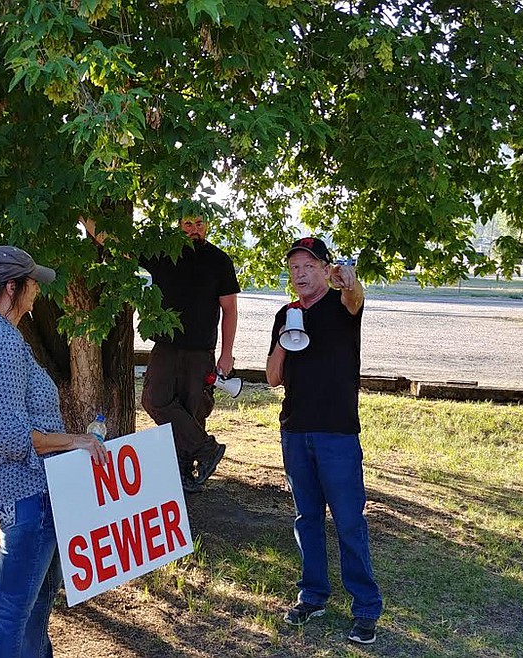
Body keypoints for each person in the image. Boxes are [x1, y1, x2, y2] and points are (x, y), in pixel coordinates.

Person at [0, 245, 108, 657]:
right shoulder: (2, 341)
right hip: (28, 497)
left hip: (14, 495)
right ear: (10, 287)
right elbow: (9, 435)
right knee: (11, 616)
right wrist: (78, 440)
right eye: (32, 282)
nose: (37, 289)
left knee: (35, 609)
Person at [266, 237, 383, 645]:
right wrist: (285, 335)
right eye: (294, 267)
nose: (300, 273)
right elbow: (272, 378)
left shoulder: (342, 305)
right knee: (307, 519)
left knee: (349, 521)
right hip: (295, 431)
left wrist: (349, 282)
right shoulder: (286, 312)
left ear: (324, 269)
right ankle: (312, 595)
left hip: (337, 433)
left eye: (309, 266)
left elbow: (355, 296)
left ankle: (365, 608)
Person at [140, 212, 239, 493]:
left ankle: (183, 477)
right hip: (166, 345)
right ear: (178, 225)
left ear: (206, 226)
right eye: (187, 224)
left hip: (201, 350)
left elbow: (229, 310)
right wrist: (86, 219)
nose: (194, 230)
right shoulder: (161, 254)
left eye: (199, 223)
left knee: (192, 410)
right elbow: (120, 248)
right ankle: (207, 449)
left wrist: (226, 354)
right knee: (154, 400)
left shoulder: (219, 260)